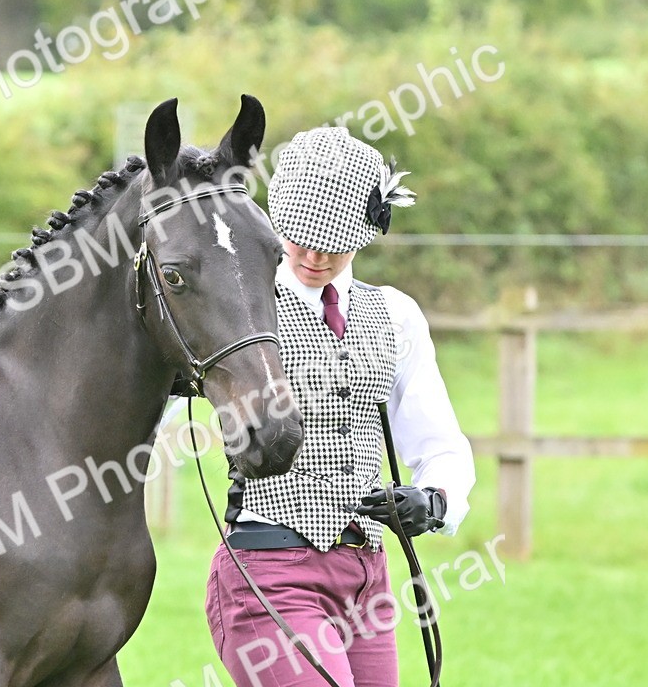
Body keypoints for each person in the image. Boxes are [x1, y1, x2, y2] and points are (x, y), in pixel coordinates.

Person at [204, 126, 476, 687]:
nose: (314, 256)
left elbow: (438, 440)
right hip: (269, 569)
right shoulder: (242, 314)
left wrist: (435, 499)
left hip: (366, 580)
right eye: (300, 237)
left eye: (334, 242)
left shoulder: (395, 314)